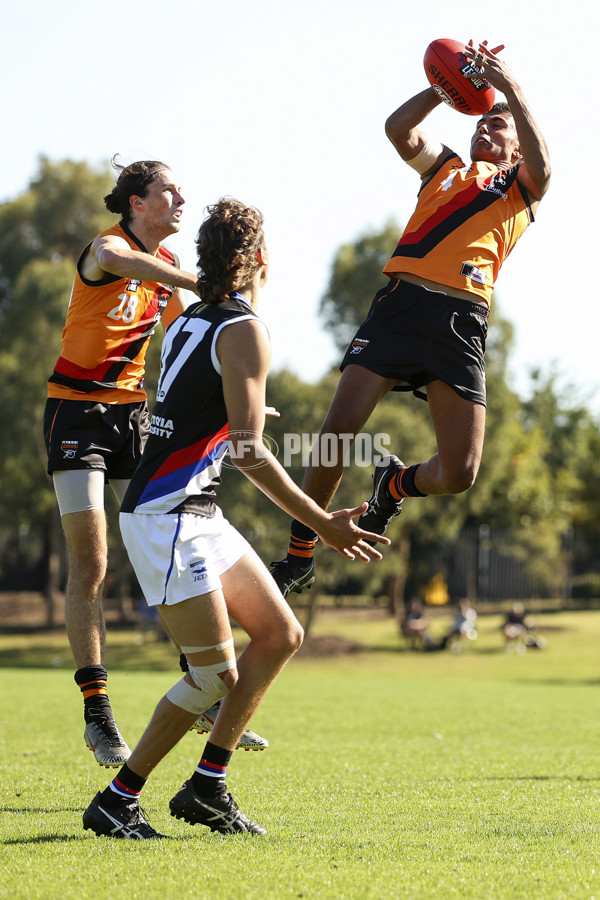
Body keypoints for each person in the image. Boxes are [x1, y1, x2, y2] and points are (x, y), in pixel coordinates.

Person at [82, 198, 389, 839]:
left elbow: (201, 412)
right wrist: (322, 525)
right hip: (168, 515)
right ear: (258, 260)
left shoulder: (192, 319)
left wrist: (232, 421)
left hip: (193, 511)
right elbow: (249, 453)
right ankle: (118, 798)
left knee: (280, 635)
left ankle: (207, 786)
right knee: (212, 676)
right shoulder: (246, 329)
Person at [271, 42, 551, 597]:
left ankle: (393, 486)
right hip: (399, 307)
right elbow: (398, 129)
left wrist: (508, 86)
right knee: (336, 433)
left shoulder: (522, 187)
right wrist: (448, 90)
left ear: (515, 148)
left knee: (458, 474)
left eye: (498, 129)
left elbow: (544, 164)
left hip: (461, 322)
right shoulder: (446, 168)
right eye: (483, 125)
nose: (485, 133)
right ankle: (299, 553)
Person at [43, 158, 201, 768]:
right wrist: (192, 279)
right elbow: (116, 263)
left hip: (133, 419)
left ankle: (201, 682)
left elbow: (191, 338)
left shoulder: (166, 274)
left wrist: (237, 395)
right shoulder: (108, 247)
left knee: (168, 543)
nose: (180, 197)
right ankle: (98, 715)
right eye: (168, 189)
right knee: (93, 563)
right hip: (76, 416)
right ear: (137, 202)